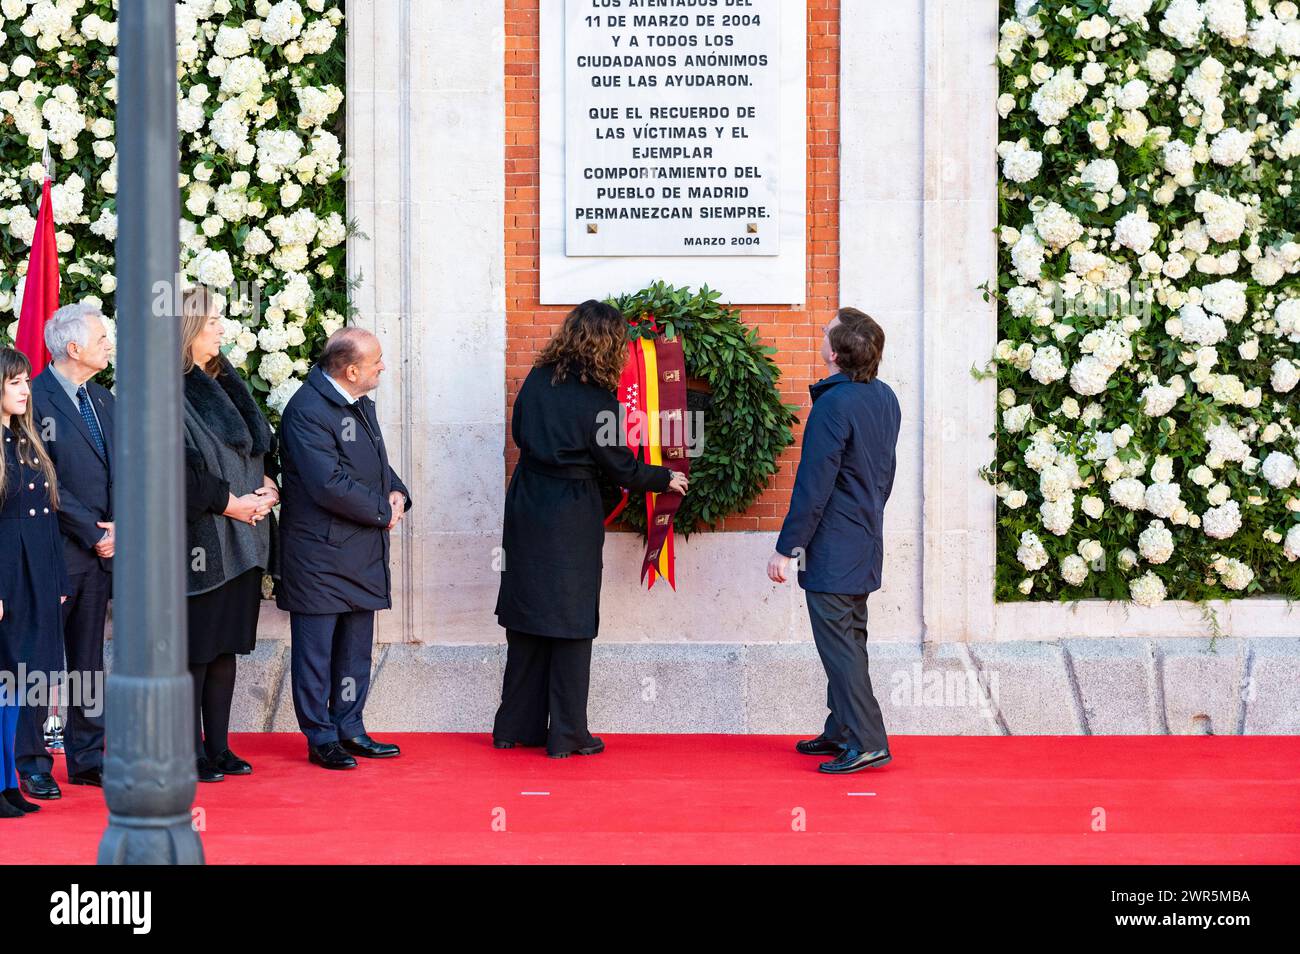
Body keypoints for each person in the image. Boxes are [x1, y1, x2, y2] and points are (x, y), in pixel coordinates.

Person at [493, 300, 689, 758]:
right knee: (571, 620)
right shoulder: (599, 400)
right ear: (607, 345)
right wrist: (665, 477)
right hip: (570, 513)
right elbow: (620, 467)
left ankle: (514, 727)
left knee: (527, 617)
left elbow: (521, 433)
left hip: (526, 505)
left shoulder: (539, 378)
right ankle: (567, 733)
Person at [767, 308, 900, 775]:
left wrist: (787, 548)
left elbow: (813, 484)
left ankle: (866, 740)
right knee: (852, 637)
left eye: (825, 333)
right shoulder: (884, 398)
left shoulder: (832, 404)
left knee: (840, 644)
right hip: (864, 536)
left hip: (835, 544)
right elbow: (883, 475)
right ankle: (842, 728)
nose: (820, 336)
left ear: (836, 352)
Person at [277, 327, 411, 770]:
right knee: (316, 653)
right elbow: (327, 484)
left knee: (355, 649)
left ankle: (350, 726)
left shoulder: (356, 403)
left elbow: (374, 465)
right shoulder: (308, 411)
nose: (383, 367)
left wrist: (396, 492)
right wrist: (382, 511)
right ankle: (320, 736)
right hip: (319, 555)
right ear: (351, 370)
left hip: (360, 550)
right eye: (376, 361)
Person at [18, 302, 115, 800]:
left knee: (88, 660)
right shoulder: (33, 398)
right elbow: (42, 478)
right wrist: (95, 531)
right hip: (53, 551)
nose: (108, 345)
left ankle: (87, 758)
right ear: (73, 347)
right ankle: (32, 762)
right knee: (40, 661)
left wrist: (117, 527)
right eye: (101, 338)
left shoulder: (102, 399)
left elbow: (122, 467)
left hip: (101, 554)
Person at [181, 286, 278, 783]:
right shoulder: (165, 389)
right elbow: (182, 470)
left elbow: (255, 450)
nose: (221, 328)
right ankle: (188, 753)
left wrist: (267, 487)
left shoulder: (223, 379)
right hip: (202, 542)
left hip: (245, 539)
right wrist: (231, 504)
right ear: (188, 329)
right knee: (197, 651)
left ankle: (218, 747)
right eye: (213, 321)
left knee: (225, 649)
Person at [0, 347, 69, 818]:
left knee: (24, 682)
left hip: (37, 574)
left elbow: (48, 519)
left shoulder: (24, 440)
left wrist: (57, 577)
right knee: (6, 682)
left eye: (27, 381)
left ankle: (7, 783)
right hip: (7, 578)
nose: (27, 390)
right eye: (16, 383)